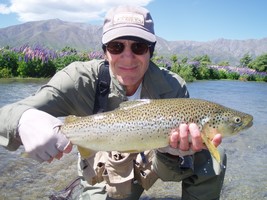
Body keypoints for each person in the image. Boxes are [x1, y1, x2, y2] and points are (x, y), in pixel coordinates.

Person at [0, 5, 226, 200]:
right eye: (116, 47)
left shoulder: (173, 87)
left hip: (151, 161)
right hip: (102, 170)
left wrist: (172, 153)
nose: (127, 57)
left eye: (138, 46)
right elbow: (7, 114)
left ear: (151, 51)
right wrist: (24, 119)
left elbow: (171, 175)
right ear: (105, 52)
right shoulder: (78, 79)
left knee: (213, 157)